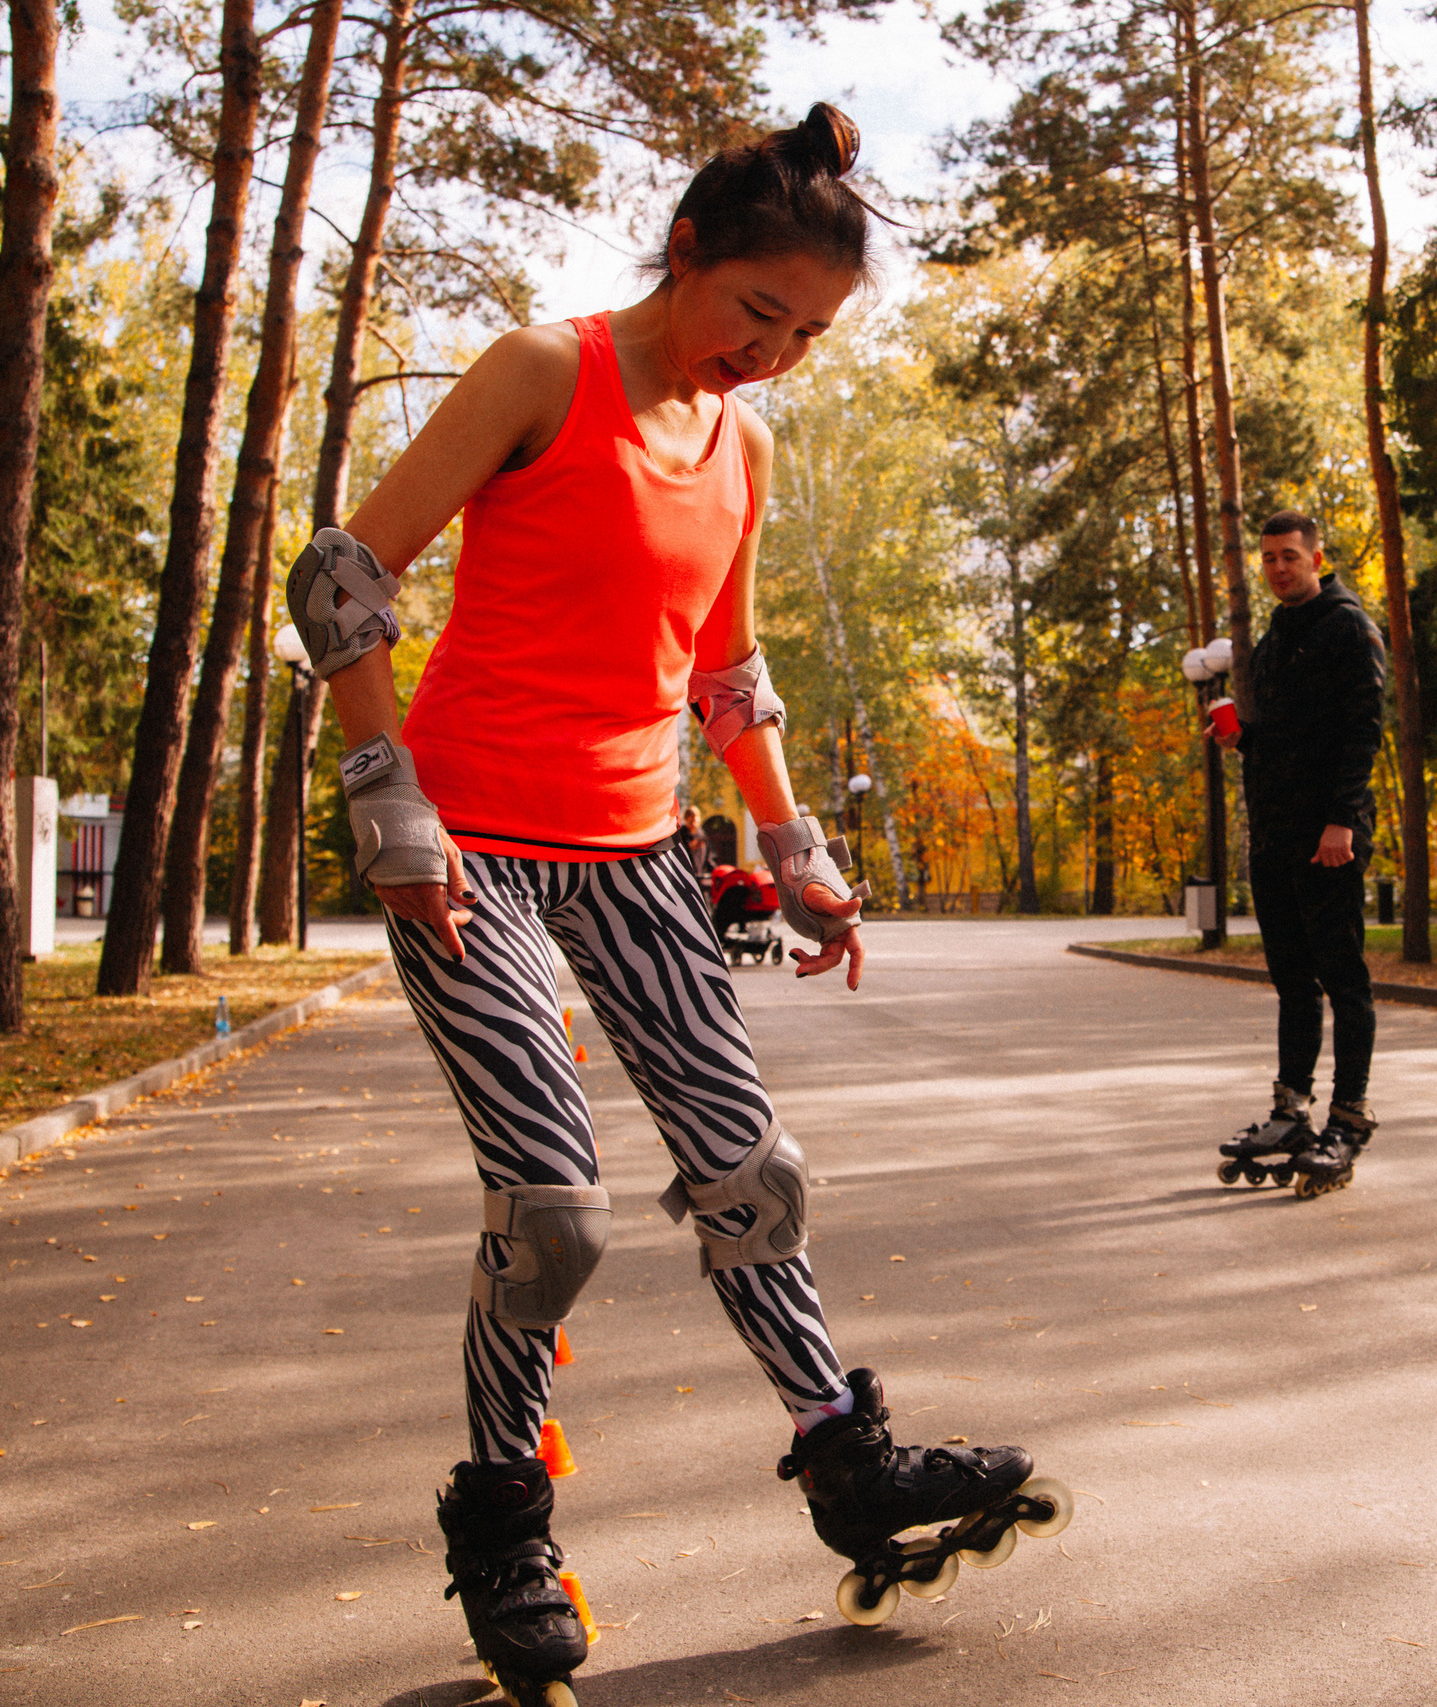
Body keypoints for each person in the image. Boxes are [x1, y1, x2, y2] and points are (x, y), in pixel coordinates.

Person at [288, 105, 1063, 1702]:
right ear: (688, 250)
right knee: (553, 1205)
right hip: (470, 847)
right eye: (756, 314)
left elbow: (728, 670)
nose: (771, 355)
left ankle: (848, 1456)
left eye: (810, 335)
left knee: (747, 1171)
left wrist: (794, 848)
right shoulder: (538, 373)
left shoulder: (745, 444)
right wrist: (388, 794)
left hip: (640, 847)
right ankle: (504, 1516)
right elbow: (344, 577)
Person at [1212, 511, 1386, 1200]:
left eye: (1291, 555)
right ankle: (1292, 1111)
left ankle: (1349, 1116)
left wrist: (1341, 819)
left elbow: (1362, 729)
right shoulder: (1278, 635)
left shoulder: (1348, 626)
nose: (1280, 567)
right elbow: (1288, 736)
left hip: (1329, 838)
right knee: (1292, 980)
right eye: (1270, 559)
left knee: (1344, 978)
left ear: (1318, 557)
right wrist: (1243, 739)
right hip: (1277, 836)